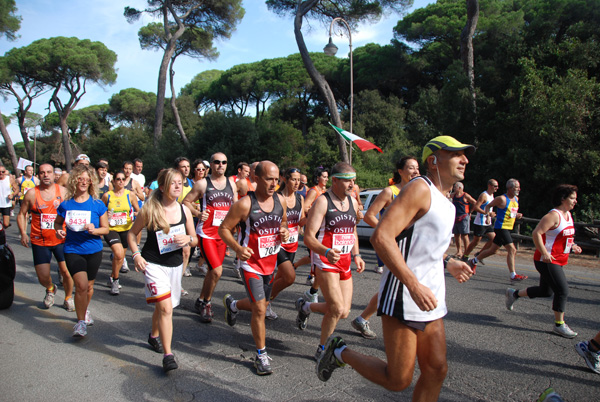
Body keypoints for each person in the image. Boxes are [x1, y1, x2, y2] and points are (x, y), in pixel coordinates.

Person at [316, 136, 474, 401]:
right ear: (433, 161)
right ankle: (339, 352)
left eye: (464, 155)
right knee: (398, 379)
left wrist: (450, 262)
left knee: (436, 370)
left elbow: (424, 245)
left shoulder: (446, 201)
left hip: (432, 295)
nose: (465, 160)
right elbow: (382, 237)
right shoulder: (420, 188)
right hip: (405, 293)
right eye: (456, 154)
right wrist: (413, 284)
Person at [221, 161, 289, 375]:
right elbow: (223, 229)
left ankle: (233, 305)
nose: (274, 184)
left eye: (277, 179)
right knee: (260, 309)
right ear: (256, 179)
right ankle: (261, 355)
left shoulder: (281, 201)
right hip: (250, 264)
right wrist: (237, 248)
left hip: (270, 263)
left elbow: (284, 223)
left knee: (260, 304)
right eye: (269, 179)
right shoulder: (244, 204)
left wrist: (284, 232)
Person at [128, 168, 197, 372]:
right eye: (173, 183)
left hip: (175, 266)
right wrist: (136, 255)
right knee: (166, 308)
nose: (178, 186)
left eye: (180, 183)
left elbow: (195, 239)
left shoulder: (185, 210)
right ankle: (168, 355)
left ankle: (154, 336)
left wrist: (188, 239)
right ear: (164, 186)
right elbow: (131, 235)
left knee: (163, 306)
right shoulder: (150, 209)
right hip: (153, 264)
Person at [296, 162, 365, 361]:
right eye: (347, 181)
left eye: (354, 180)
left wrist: (357, 255)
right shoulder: (323, 202)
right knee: (335, 307)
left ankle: (305, 307)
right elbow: (308, 237)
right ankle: (323, 348)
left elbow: (351, 231)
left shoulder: (352, 201)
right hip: (325, 259)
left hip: (344, 260)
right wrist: (325, 251)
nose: (352, 185)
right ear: (334, 181)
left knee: (343, 312)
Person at [351, 155, 419, 339]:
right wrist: (389, 231)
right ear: (401, 171)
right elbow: (369, 216)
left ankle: (364, 318)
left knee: (397, 284)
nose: (415, 172)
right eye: (411, 168)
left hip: (410, 246)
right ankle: (367, 319)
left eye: (417, 168)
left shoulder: (417, 193)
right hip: (392, 245)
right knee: (396, 283)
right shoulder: (390, 192)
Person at [505, 184, 581, 338]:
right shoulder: (553, 215)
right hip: (546, 259)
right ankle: (559, 325)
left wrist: (573, 245)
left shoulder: (568, 215)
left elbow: (563, 236)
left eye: (575, 198)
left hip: (559, 259)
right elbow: (536, 233)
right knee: (562, 290)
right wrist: (544, 252)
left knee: (545, 291)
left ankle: (514, 294)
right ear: (562, 198)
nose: (575, 201)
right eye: (572, 198)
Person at [54, 164, 109, 337]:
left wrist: (95, 229)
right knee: (81, 285)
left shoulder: (97, 204)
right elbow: (57, 223)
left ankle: (84, 310)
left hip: (94, 249)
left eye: (87, 179)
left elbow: (106, 229)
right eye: (80, 179)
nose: (83, 182)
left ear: (91, 182)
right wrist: (59, 230)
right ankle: (80, 323)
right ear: (74, 181)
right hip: (72, 249)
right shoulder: (66, 204)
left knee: (89, 286)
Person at [183, 152, 237, 323]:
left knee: (214, 273)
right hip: (206, 233)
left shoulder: (231, 184)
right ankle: (207, 303)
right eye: (217, 162)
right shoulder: (202, 184)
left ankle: (200, 300)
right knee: (217, 270)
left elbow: (235, 207)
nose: (221, 165)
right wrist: (198, 213)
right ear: (211, 165)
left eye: (224, 162)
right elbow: (185, 201)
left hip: (223, 234)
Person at [17, 163, 74, 310]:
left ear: (54, 175)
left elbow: (74, 211)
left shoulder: (63, 192)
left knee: (66, 272)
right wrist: (23, 233)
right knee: (42, 276)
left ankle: (68, 297)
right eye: (42, 173)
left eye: (49, 172)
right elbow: (22, 214)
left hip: (62, 239)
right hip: (40, 240)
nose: (46, 175)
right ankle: (50, 288)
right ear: (39, 175)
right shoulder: (31, 193)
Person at [265, 167, 306, 320]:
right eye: (294, 179)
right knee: (289, 277)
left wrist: (312, 216)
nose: (297, 183)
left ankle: (265, 303)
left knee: (279, 278)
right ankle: (264, 301)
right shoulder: (277, 197)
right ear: (285, 179)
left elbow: (300, 221)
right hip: (278, 243)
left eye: (299, 180)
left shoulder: (300, 199)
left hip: (293, 243)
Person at [469, 179, 527, 281]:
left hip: (508, 228)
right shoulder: (502, 199)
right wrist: (487, 216)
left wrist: (517, 215)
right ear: (510, 188)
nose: (519, 189)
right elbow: (488, 206)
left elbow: (510, 213)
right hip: (501, 227)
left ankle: (474, 261)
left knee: (493, 250)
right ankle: (513, 275)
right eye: (517, 187)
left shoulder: (516, 199)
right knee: (512, 249)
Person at [102, 170, 140, 295]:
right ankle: (116, 281)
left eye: (123, 179)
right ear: (113, 181)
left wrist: (135, 213)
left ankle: (113, 276)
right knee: (118, 254)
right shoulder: (107, 196)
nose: (121, 181)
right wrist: (105, 215)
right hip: (111, 229)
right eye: (118, 179)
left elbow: (138, 210)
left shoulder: (130, 195)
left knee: (120, 257)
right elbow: (100, 212)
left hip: (126, 229)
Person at [297, 167, 330, 289]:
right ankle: (312, 278)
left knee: (316, 255)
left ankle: (297, 267)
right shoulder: (314, 191)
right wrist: (315, 210)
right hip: (314, 227)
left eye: (327, 177)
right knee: (315, 255)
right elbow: (305, 207)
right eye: (324, 177)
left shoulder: (326, 191)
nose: (326, 179)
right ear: (317, 178)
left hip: (323, 227)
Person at [463, 179, 498, 260]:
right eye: (495, 186)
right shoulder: (484, 195)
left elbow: (489, 209)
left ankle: (479, 254)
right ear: (489, 186)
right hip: (480, 222)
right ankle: (465, 255)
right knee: (476, 242)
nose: (497, 188)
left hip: (487, 223)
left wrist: (489, 216)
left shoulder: (491, 195)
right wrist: (487, 214)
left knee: (494, 239)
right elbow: (476, 207)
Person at [450, 182, 477, 259]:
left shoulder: (465, 195)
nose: (454, 188)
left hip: (464, 216)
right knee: (456, 234)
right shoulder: (454, 195)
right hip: (456, 216)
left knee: (464, 235)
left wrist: (471, 212)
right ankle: (459, 251)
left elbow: (475, 202)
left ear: (459, 188)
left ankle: (466, 252)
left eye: (455, 187)